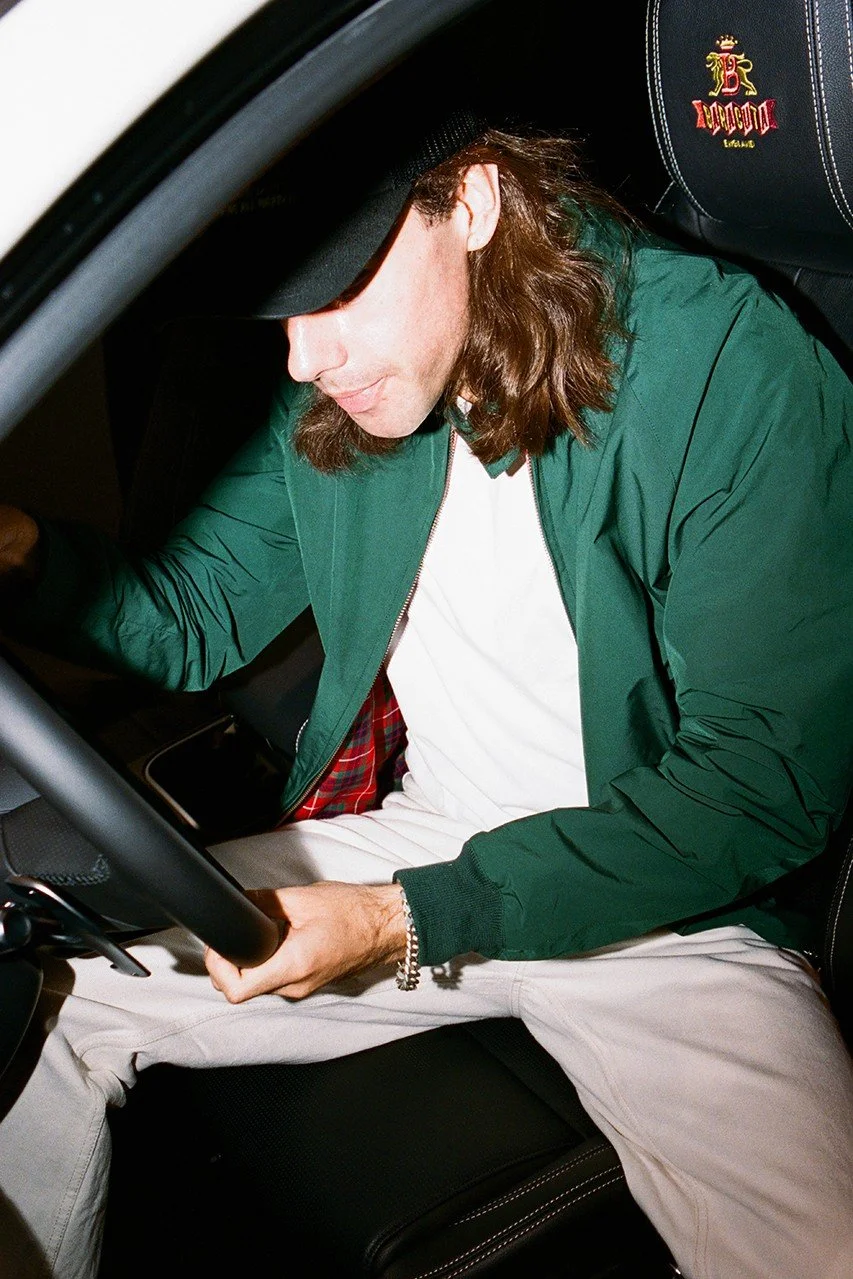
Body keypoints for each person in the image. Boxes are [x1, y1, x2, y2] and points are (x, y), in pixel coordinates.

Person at [1, 81, 853, 1279]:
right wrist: (22, 554)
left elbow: (758, 784)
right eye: (282, 312)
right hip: (428, 842)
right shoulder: (346, 373)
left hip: (667, 910)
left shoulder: (726, 364)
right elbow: (190, 618)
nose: (305, 353)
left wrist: (408, 920)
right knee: (30, 1007)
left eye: (339, 291)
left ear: (474, 201)